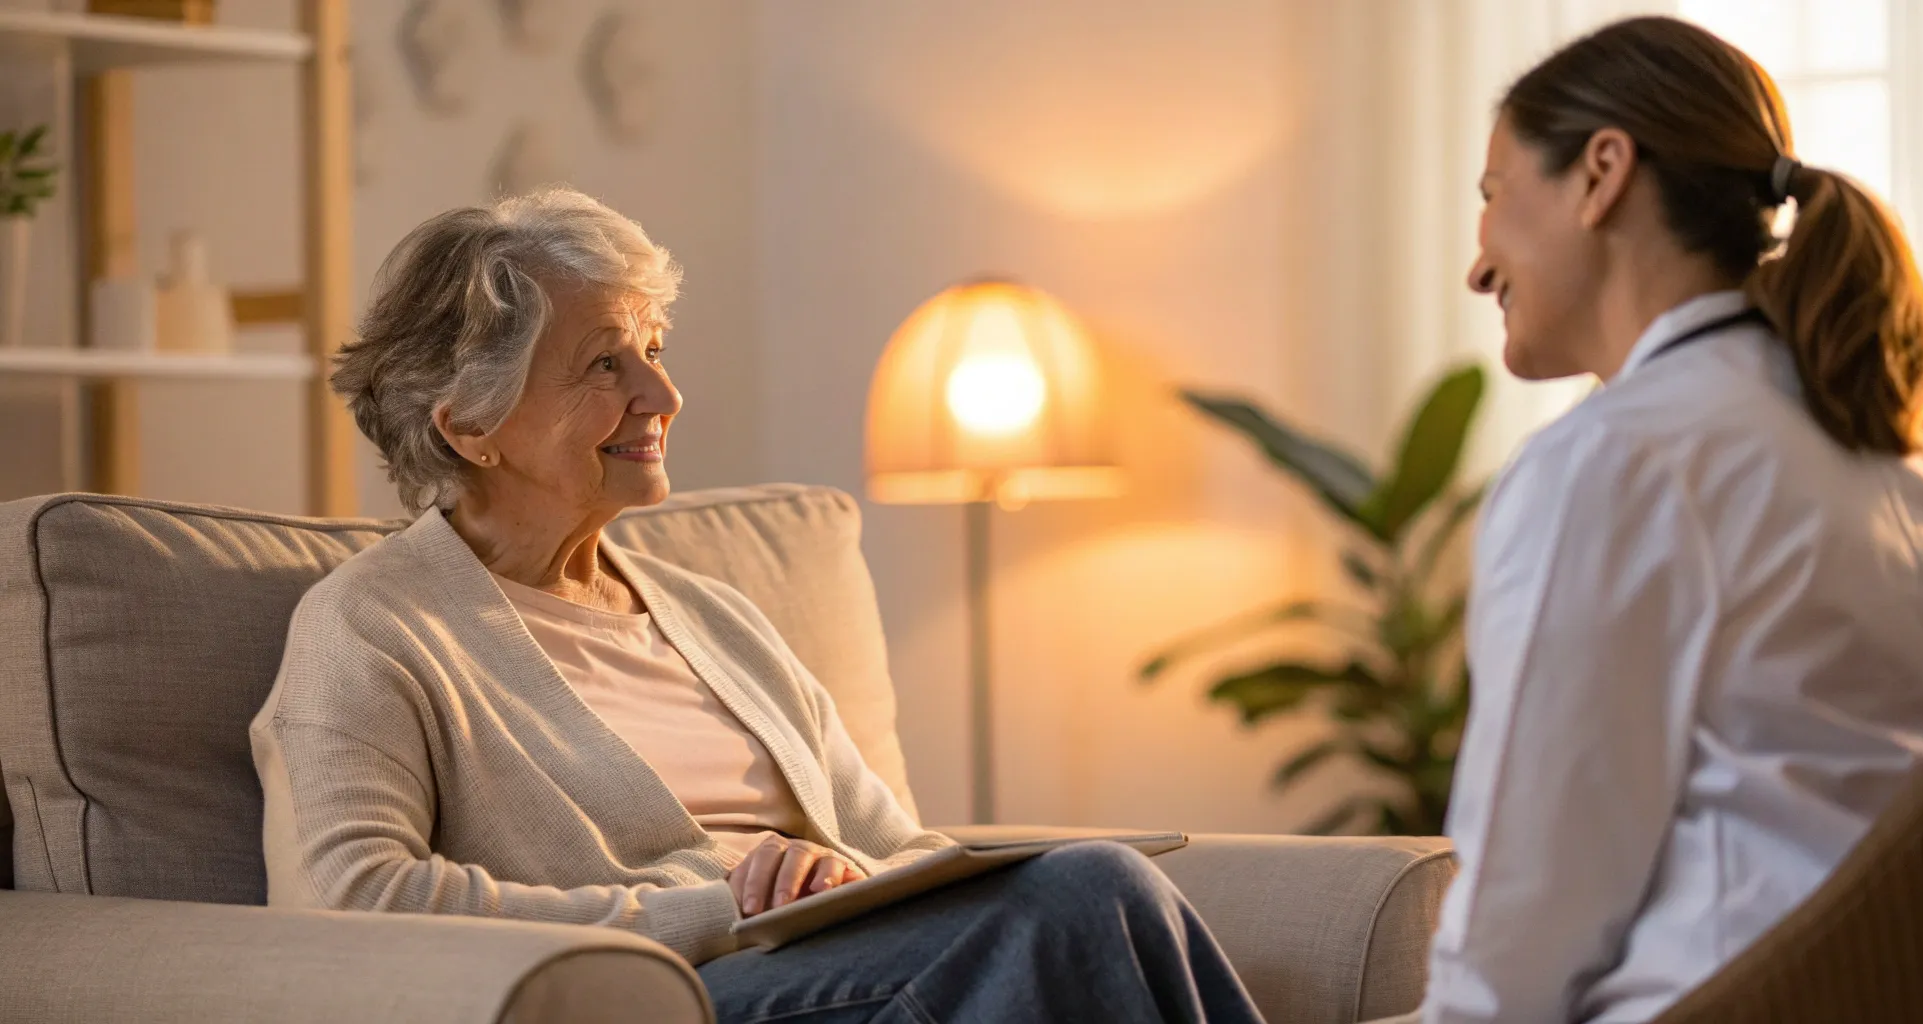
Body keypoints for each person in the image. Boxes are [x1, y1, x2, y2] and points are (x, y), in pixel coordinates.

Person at [250, 188, 1265, 1023]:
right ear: (471, 426)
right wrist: (718, 907)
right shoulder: (374, 625)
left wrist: (833, 876)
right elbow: (354, 900)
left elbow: (898, 848)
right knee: (1087, 893)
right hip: (676, 996)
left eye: (654, 348)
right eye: (605, 362)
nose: (662, 396)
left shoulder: (713, 618)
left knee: (1097, 885)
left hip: (838, 969)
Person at [1422, 16, 1923, 1024]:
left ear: (1600, 172)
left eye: (1493, 195)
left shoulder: (1611, 462)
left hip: (1716, 999)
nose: (1477, 265)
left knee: (1124, 913)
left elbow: (1512, 948)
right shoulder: (1920, 453)